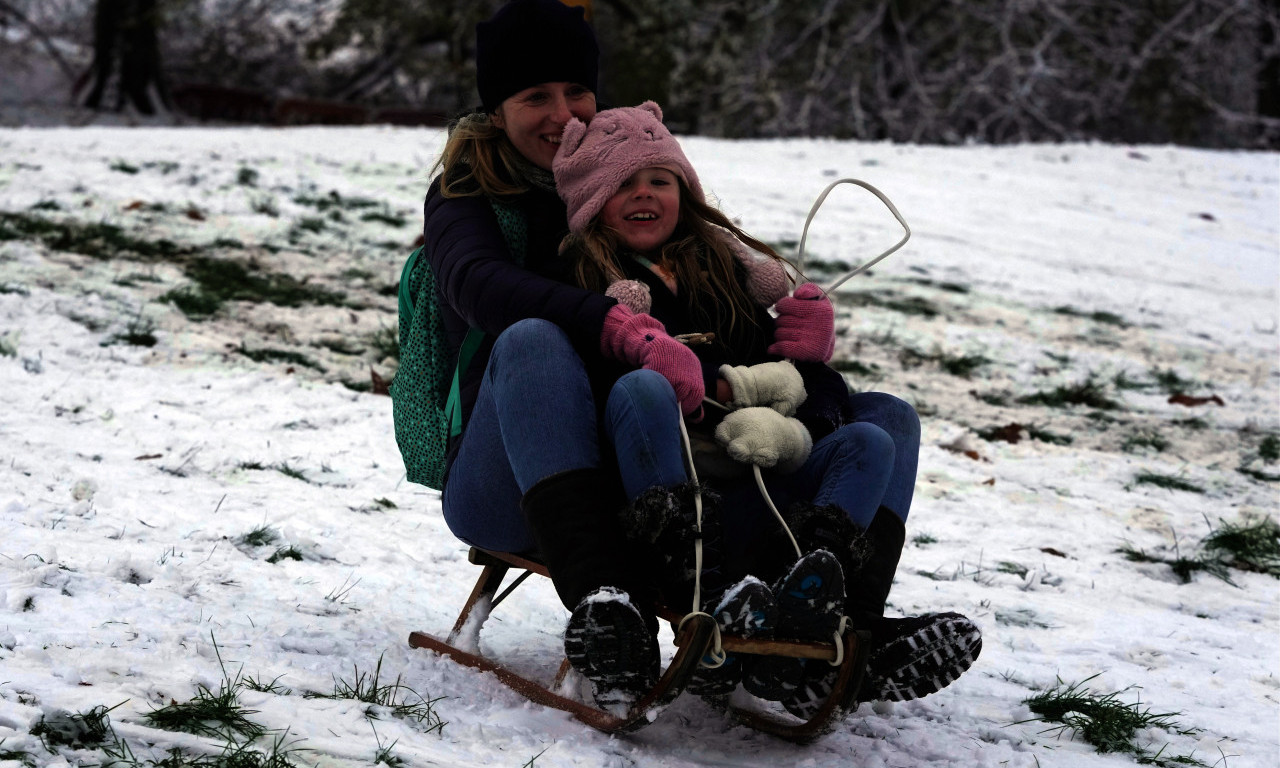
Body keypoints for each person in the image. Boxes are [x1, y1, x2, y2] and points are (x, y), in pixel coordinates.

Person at [550, 101, 984, 716]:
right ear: (593, 198)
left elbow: (794, 385)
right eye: (622, 182)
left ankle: (829, 618)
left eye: (659, 180)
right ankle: (707, 597)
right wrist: (710, 393)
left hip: (758, 473)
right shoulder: (586, 281)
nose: (643, 195)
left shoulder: (722, 274)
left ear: (686, 191)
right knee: (643, 389)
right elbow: (596, 394)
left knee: (881, 429)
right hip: (669, 497)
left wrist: (803, 378)